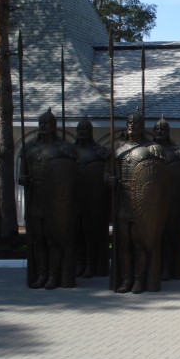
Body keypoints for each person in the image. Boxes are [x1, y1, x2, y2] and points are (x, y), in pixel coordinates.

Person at [106, 110, 168, 294]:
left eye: (137, 123)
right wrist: (108, 179)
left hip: (143, 204)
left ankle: (139, 279)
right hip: (123, 200)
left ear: (142, 126)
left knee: (139, 243)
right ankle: (126, 278)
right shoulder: (117, 148)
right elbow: (107, 173)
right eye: (130, 122)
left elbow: (160, 177)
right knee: (124, 243)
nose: (133, 125)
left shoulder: (151, 148)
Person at [19, 108, 78, 289]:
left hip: (56, 202)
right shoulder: (29, 147)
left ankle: (54, 275)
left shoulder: (64, 148)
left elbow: (72, 176)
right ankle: (41, 274)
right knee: (39, 240)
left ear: (54, 126)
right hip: (36, 199)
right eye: (41, 123)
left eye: (47, 123)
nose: (44, 126)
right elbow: (23, 174)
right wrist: (24, 179)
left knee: (54, 239)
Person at [153, 115, 180, 281]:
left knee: (170, 234)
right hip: (153, 201)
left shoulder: (178, 152)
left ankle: (167, 267)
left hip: (172, 200)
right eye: (157, 129)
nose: (160, 131)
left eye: (163, 129)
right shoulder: (148, 150)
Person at [74, 116, 110, 278]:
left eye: (85, 129)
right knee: (77, 234)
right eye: (80, 129)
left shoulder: (100, 152)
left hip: (93, 200)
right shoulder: (69, 151)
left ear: (90, 131)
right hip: (74, 198)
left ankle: (91, 264)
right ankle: (79, 263)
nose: (82, 132)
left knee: (90, 234)